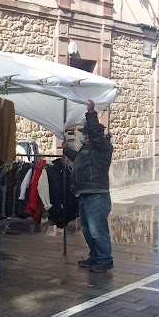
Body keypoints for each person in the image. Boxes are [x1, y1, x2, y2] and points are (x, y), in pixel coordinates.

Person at [62, 100, 114, 273]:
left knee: (97, 230)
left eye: (86, 133)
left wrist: (91, 114)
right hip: (85, 195)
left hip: (96, 195)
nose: (83, 135)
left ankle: (105, 260)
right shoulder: (87, 148)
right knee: (87, 229)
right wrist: (66, 150)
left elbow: (97, 135)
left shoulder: (102, 147)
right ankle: (96, 256)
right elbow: (78, 159)